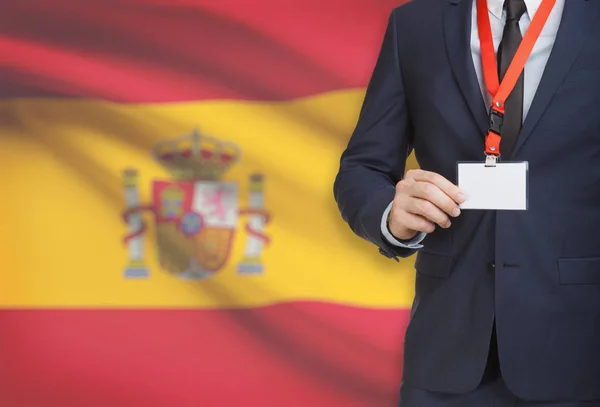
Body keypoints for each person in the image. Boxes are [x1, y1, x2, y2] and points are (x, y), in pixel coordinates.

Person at [333, 0, 600, 405]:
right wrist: (390, 215)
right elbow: (361, 168)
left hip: (580, 351)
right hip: (446, 355)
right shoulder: (416, 24)